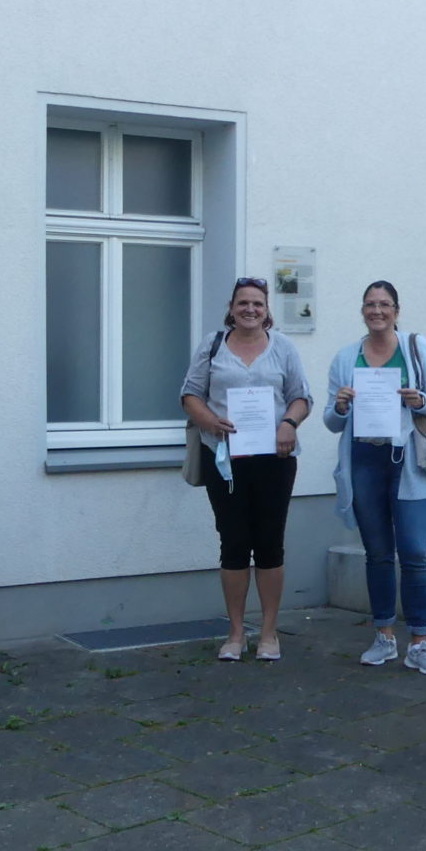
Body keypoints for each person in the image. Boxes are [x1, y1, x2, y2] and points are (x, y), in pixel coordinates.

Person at [181, 277, 313, 661]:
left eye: (257, 303)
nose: (250, 309)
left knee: (270, 543)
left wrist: (288, 423)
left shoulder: (283, 347)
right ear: (232, 307)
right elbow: (190, 394)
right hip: (224, 459)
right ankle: (236, 633)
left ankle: (269, 632)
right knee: (234, 543)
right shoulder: (213, 346)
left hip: (275, 459)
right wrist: (209, 421)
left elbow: (301, 396)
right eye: (243, 303)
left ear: (267, 309)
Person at [323, 281, 426, 675]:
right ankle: (383, 637)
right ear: (362, 310)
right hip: (364, 460)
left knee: (415, 553)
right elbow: (330, 421)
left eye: (385, 304)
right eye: (370, 304)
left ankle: (420, 642)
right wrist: (341, 406)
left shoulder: (415, 347)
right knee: (377, 554)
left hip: (407, 463)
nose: (377, 311)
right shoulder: (346, 357)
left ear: (397, 310)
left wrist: (421, 401)